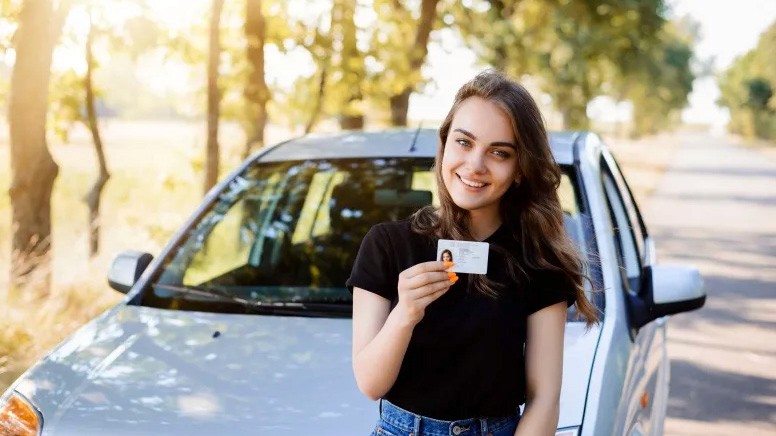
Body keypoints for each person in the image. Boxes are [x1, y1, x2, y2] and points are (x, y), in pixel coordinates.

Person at [346, 71, 600, 436]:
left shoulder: (538, 262)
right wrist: (405, 313)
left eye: (500, 152)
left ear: (518, 170)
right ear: (445, 144)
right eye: (464, 142)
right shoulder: (387, 245)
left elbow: (545, 398)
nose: (476, 165)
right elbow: (371, 384)